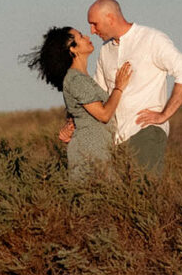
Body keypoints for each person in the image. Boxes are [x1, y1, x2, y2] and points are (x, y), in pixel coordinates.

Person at [60, 0, 182, 175]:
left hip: (144, 132)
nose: (92, 31)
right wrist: (72, 123)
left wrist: (164, 115)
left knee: (143, 189)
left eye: (95, 24)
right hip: (115, 140)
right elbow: (97, 97)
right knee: (121, 193)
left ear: (110, 18)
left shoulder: (152, 39)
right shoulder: (105, 50)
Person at [24, 26, 132, 180]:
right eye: (81, 36)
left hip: (98, 152)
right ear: (73, 49)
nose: (87, 37)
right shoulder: (76, 80)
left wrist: (70, 125)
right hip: (89, 153)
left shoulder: (82, 79)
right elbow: (104, 115)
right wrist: (119, 87)